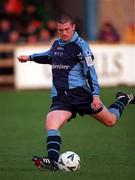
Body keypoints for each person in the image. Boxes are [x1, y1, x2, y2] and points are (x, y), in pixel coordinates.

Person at [17, 14, 135, 171]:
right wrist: (30, 57)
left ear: (73, 27)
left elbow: (90, 73)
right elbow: (48, 56)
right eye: (60, 30)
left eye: (67, 29)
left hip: (81, 96)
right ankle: (53, 162)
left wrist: (96, 96)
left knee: (111, 121)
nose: (64, 33)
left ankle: (123, 98)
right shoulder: (57, 44)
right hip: (61, 98)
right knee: (51, 123)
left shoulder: (82, 47)